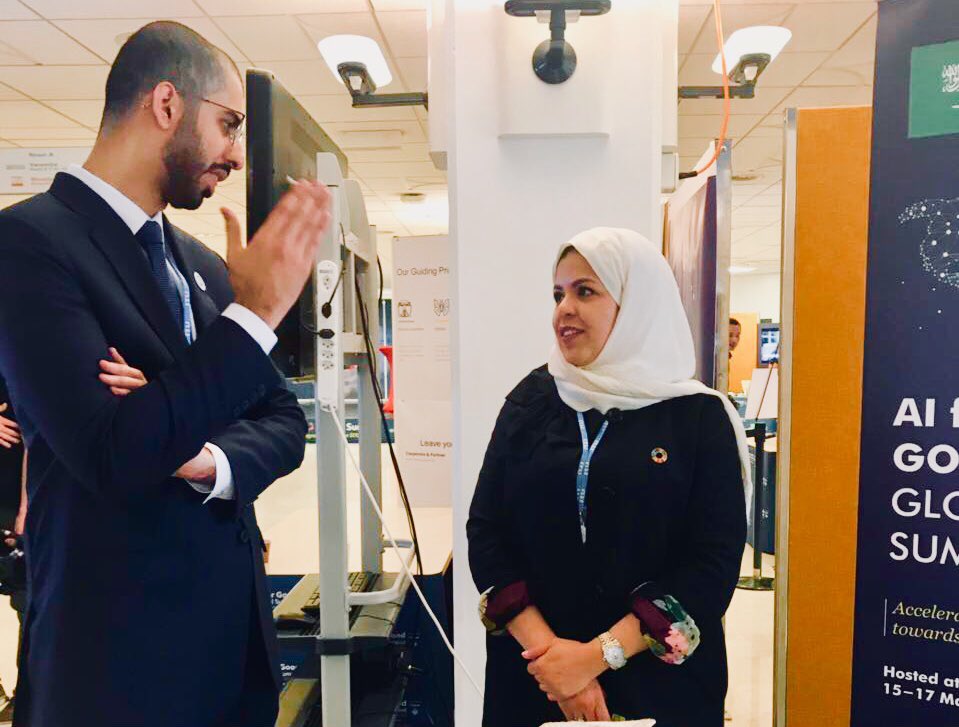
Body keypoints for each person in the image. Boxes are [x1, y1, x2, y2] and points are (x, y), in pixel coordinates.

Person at [0, 21, 331, 727]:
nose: (236, 154)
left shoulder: (201, 263)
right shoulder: (29, 243)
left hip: (229, 658)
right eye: (229, 124)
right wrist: (256, 315)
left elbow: (282, 421)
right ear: (167, 104)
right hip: (118, 671)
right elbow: (113, 451)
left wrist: (200, 456)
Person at [467, 227, 749, 726]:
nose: (564, 309)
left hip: (658, 685)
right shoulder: (532, 401)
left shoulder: (697, 417)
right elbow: (487, 532)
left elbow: (712, 562)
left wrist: (594, 659)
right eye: (558, 294)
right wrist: (555, 664)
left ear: (637, 304)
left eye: (585, 291)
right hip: (535, 679)